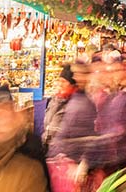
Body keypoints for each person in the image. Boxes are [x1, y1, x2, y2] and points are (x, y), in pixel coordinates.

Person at [47, 61, 100, 192]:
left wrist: (83, 164)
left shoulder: (87, 101)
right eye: (76, 73)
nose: (78, 77)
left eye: (81, 73)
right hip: (63, 160)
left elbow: (92, 135)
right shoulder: (69, 99)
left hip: (74, 164)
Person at [42, 64, 78, 152]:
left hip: (63, 151)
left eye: (64, 81)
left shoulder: (75, 102)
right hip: (49, 147)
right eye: (59, 81)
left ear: (72, 84)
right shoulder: (56, 99)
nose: (60, 84)